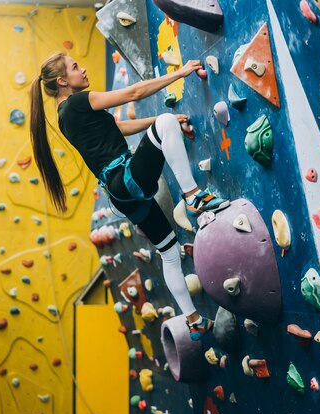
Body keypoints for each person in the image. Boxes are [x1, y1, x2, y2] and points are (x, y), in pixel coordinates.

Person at [29, 52, 230, 341]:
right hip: (125, 179)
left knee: (169, 253)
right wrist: (180, 72)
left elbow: (118, 128)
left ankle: (193, 320)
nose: (82, 69)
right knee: (164, 124)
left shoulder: (64, 117)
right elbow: (134, 92)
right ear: (62, 81)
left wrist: (165, 122)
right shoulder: (77, 102)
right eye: (75, 67)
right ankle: (194, 196)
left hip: (121, 196)